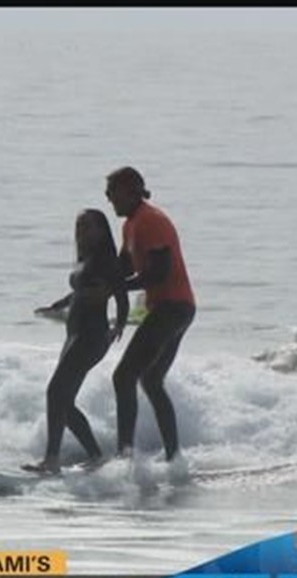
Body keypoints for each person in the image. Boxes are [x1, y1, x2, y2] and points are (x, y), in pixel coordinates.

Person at [25, 208, 128, 474]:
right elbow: (80, 292)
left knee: (55, 393)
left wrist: (120, 322)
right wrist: (59, 305)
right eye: (78, 227)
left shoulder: (106, 261)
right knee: (64, 402)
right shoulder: (86, 259)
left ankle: (51, 460)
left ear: (102, 230)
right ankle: (95, 456)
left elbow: (121, 293)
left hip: (91, 337)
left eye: (87, 227)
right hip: (76, 335)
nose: (81, 232)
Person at [106, 167, 196, 462]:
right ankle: (174, 456)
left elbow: (159, 272)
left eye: (112, 192)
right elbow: (125, 267)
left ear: (131, 191)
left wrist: (117, 286)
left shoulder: (151, 221)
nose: (109, 198)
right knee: (151, 380)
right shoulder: (131, 224)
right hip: (174, 308)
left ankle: (124, 456)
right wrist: (90, 284)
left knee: (124, 376)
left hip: (173, 307)